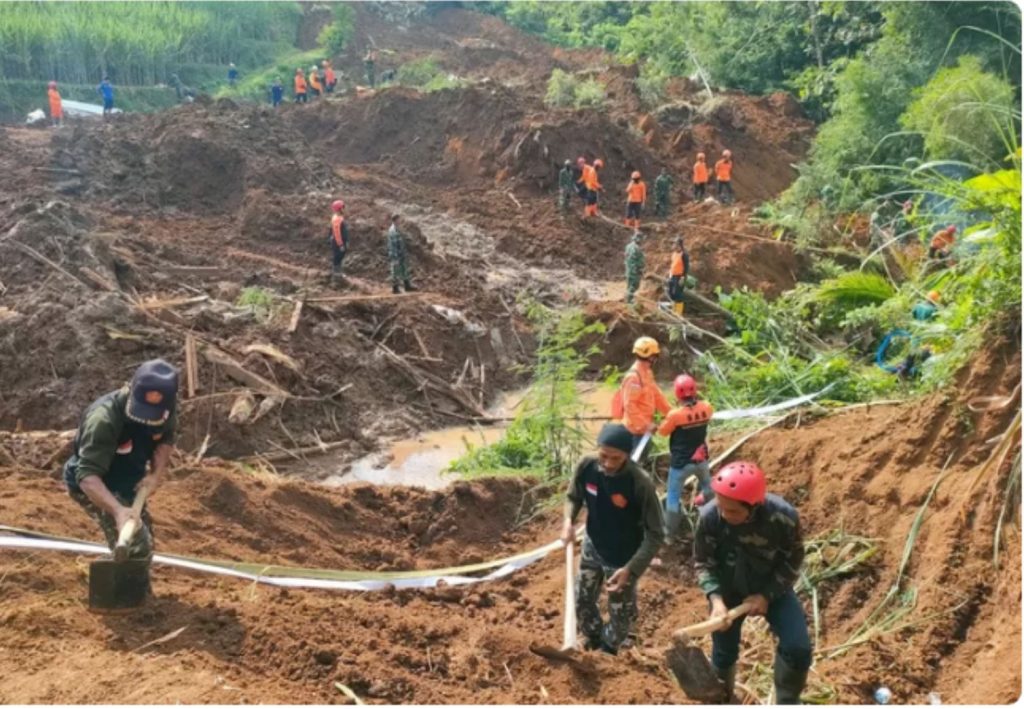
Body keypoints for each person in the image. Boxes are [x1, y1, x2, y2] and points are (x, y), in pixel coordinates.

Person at [694, 461, 811, 704]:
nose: (725, 515)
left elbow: (794, 558)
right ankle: (722, 701)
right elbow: (703, 563)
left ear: (754, 505)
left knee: (798, 648)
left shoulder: (783, 517)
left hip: (773, 588)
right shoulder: (709, 517)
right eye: (721, 507)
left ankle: (787, 701)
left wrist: (767, 595)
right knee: (724, 654)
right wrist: (715, 601)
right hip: (727, 592)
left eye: (733, 511)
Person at [560, 423, 665, 654]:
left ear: (627, 456)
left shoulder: (640, 483)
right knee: (582, 598)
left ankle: (609, 647)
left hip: (623, 557)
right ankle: (592, 635)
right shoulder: (587, 466)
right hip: (593, 544)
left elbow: (657, 533)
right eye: (603, 456)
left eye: (615, 458)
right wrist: (568, 520)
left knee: (620, 611)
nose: (607, 463)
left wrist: (632, 569)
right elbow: (573, 496)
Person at [63, 360, 179, 563]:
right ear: (130, 389)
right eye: (142, 412)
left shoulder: (165, 409)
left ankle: (135, 586)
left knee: (144, 543)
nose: (147, 420)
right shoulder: (103, 420)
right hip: (96, 483)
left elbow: (165, 438)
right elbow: (88, 477)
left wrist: (155, 475)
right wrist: (118, 511)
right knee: (134, 546)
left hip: (128, 481)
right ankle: (117, 593)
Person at [657, 374, 713, 537]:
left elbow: (662, 431)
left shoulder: (675, 415)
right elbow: (706, 413)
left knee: (673, 497)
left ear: (676, 394)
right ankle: (707, 518)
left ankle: (669, 534)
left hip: (681, 464)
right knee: (708, 489)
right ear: (695, 390)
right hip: (701, 460)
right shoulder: (707, 407)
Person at [611, 336, 670, 457]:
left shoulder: (647, 373)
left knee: (642, 459)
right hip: (634, 432)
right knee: (634, 464)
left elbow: (657, 395)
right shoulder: (634, 378)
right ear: (651, 357)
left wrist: (671, 413)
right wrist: (646, 425)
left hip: (644, 430)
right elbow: (629, 405)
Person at [386, 214, 416, 294]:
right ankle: (395, 288)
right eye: (399, 219)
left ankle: (407, 285)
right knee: (395, 270)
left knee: (404, 269)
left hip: (401, 253)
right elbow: (393, 245)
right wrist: (395, 256)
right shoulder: (392, 231)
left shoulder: (397, 229)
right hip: (396, 254)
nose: (400, 221)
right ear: (395, 220)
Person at [666, 237, 690, 316]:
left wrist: (683, 277)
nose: (673, 246)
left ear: (679, 245)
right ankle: (674, 310)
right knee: (671, 293)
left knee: (678, 294)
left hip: (680, 277)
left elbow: (686, 267)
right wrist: (670, 274)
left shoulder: (684, 254)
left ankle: (678, 313)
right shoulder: (674, 254)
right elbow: (673, 265)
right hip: (672, 276)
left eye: (675, 244)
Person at [327, 199, 349, 285]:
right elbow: (337, 233)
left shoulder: (338, 218)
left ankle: (338, 272)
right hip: (338, 243)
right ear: (340, 209)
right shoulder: (337, 219)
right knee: (337, 257)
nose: (344, 209)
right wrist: (341, 244)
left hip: (339, 242)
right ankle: (336, 273)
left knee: (340, 257)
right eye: (343, 207)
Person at [624, 232, 645, 306]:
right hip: (634, 271)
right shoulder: (636, 248)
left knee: (629, 285)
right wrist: (639, 269)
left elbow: (626, 257)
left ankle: (627, 298)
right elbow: (634, 260)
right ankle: (629, 301)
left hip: (628, 270)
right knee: (634, 285)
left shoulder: (628, 246)